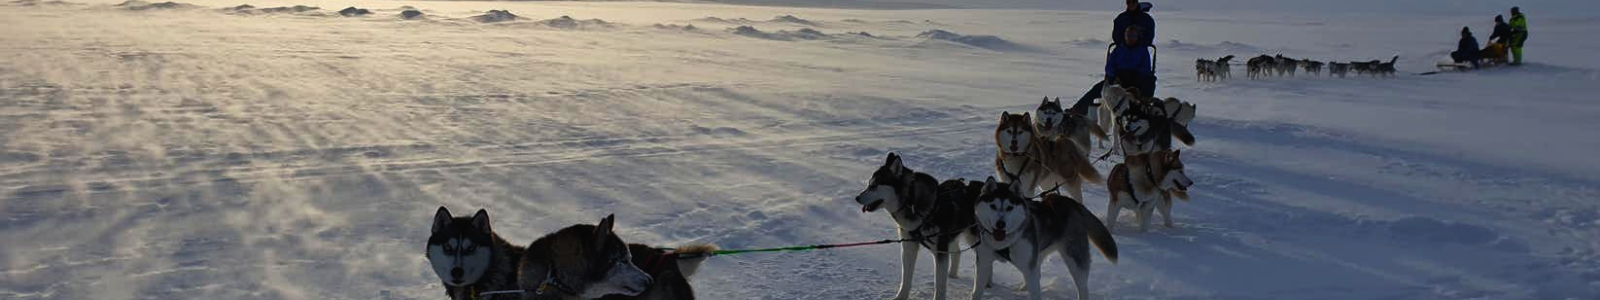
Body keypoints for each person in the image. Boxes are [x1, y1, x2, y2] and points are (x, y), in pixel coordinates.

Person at [1074, 25, 1157, 114]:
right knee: (1097, 89)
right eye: (1128, 35)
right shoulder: (1118, 49)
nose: (1130, 38)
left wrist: (1136, 78)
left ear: (1137, 37)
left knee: (1148, 85)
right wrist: (1114, 77)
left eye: (1133, 36)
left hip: (1136, 79)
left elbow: (1145, 69)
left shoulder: (1142, 51)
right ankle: (1075, 111)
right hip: (1118, 77)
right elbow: (1110, 66)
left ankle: (1145, 110)